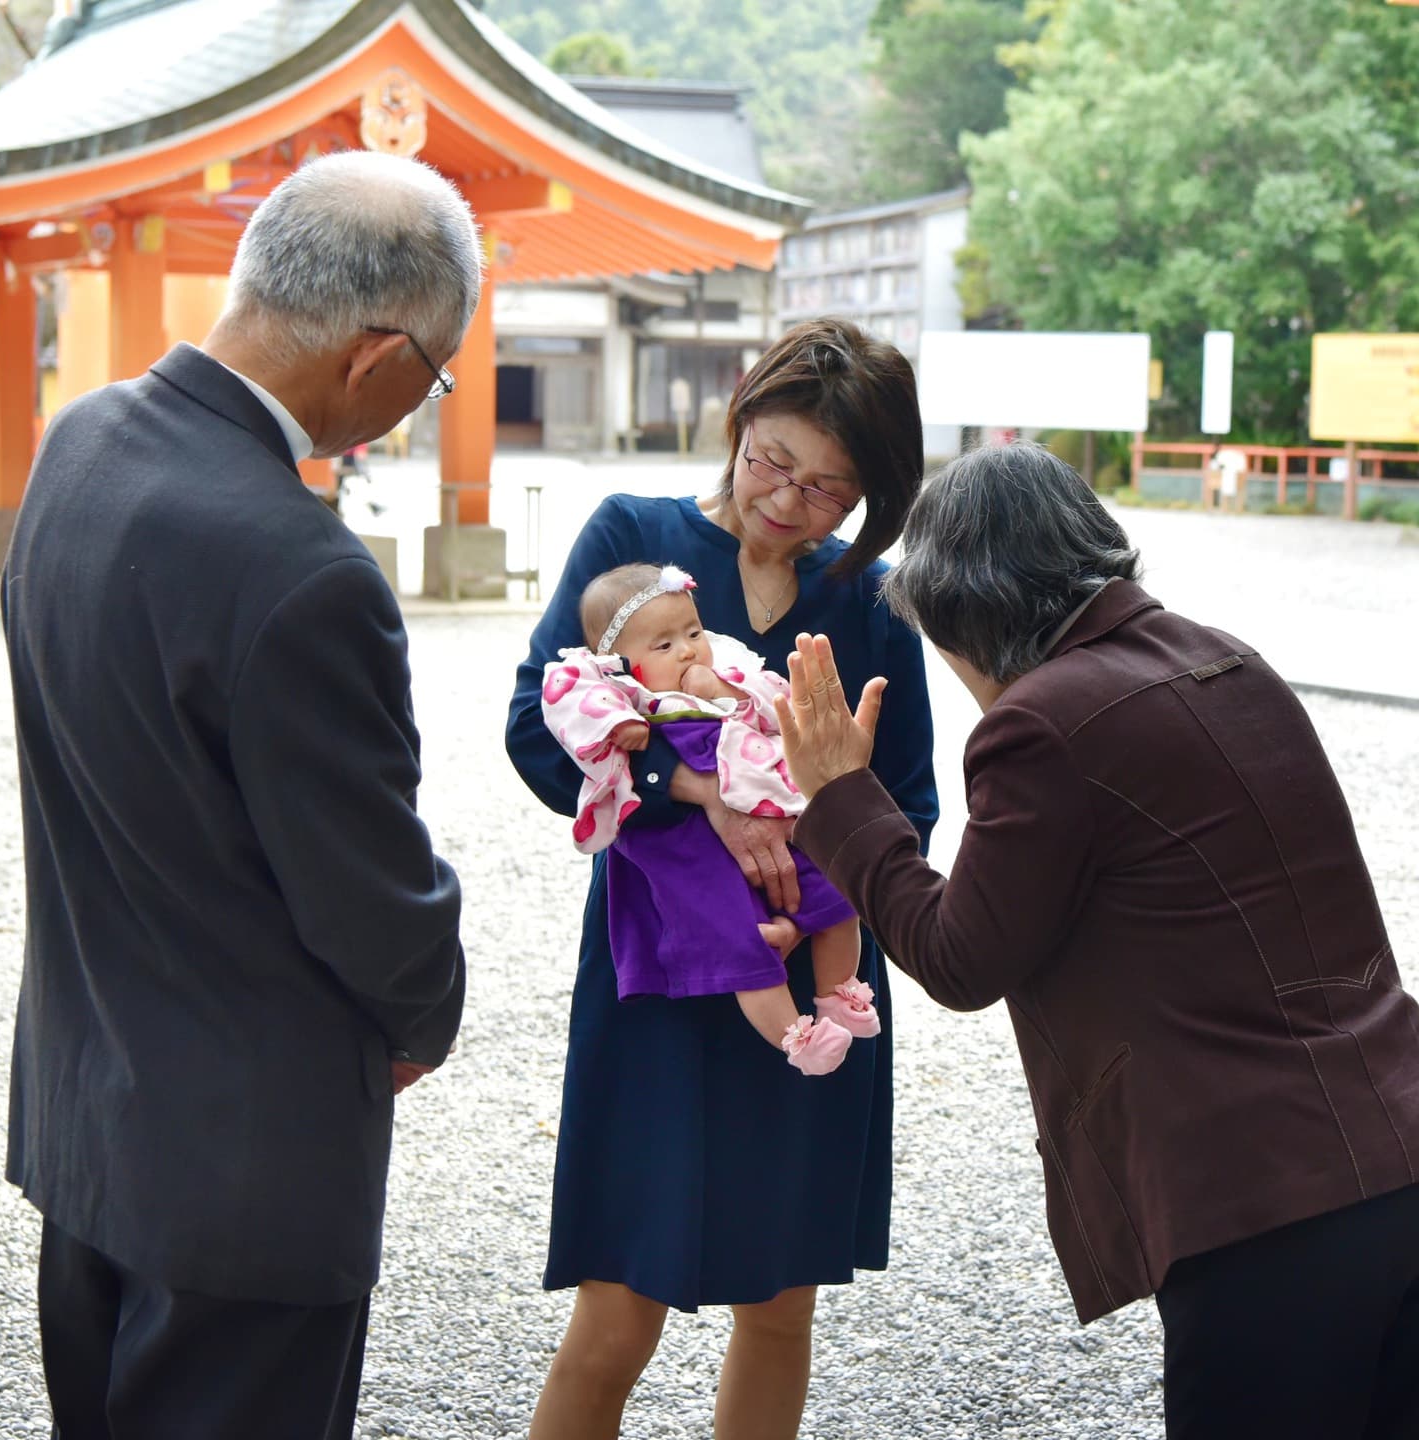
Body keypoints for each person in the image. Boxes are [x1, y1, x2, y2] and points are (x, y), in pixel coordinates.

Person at [775, 440, 1419, 1440]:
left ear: (963, 615)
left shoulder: (1043, 723)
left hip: (1267, 1203)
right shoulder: (1226, 659)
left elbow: (959, 957)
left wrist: (841, 799)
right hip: (1396, 1139)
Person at [1, 150, 480, 1440]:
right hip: (250, 1172)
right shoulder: (300, 569)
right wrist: (430, 1004)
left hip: (91, 1116)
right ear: (378, 359)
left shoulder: (79, 445)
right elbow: (371, 896)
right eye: (430, 381)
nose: (415, 404)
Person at [506, 317, 937, 1440]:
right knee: (616, 1313)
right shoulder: (634, 540)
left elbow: (913, 806)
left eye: (830, 491)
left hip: (807, 993)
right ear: (738, 423)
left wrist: (808, 842)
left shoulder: (874, 603)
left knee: (781, 1306)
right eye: (773, 465)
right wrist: (700, 796)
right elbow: (542, 732)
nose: (788, 504)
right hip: (658, 977)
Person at [542, 560, 879, 1076]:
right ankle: (797, 1038)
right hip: (683, 841)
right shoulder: (610, 684)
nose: (686, 649)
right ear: (619, 660)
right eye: (663, 645)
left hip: (771, 813)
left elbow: (778, 703)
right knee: (741, 939)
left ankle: (838, 995)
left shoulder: (728, 665)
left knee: (839, 893)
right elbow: (565, 702)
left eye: (692, 632)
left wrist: (723, 692)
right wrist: (620, 722)